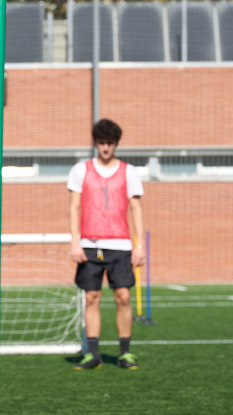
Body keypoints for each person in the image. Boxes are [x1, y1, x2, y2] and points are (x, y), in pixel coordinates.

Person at [69, 118, 145, 370]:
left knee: (123, 297)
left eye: (110, 143)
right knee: (91, 297)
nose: (105, 147)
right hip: (89, 245)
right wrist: (75, 242)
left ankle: (125, 353)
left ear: (116, 144)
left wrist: (139, 246)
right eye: (101, 142)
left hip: (121, 245)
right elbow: (74, 207)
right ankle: (93, 355)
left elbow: (136, 208)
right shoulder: (80, 170)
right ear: (96, 143)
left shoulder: (129, 171)